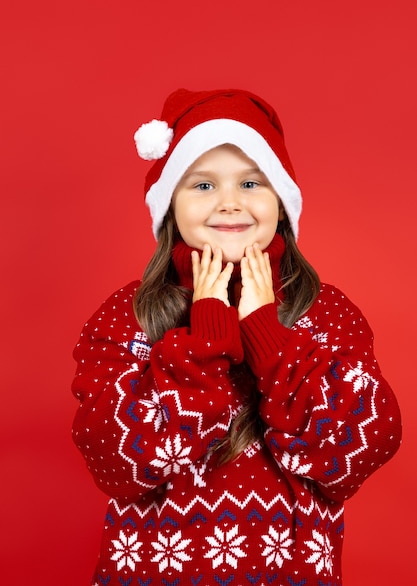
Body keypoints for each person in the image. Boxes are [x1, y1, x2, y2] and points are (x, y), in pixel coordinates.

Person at [72, 88, 402, 586]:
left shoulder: (326, 312)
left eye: (251, 182)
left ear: (281, 202)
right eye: (202, 186)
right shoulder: (128, 316)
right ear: (170, 207)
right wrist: (204, 341)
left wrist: (268, 338)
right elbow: (113, 462)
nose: (229, 202)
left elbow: (361, 450)